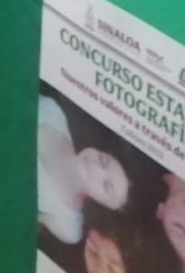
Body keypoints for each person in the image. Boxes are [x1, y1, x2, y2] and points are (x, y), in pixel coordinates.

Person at [37, 95, 132, 246]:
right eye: (103, 160)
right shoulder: (53, 111)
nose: (95, 167)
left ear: (103, 205)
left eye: (106, 186)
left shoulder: (68, 226)